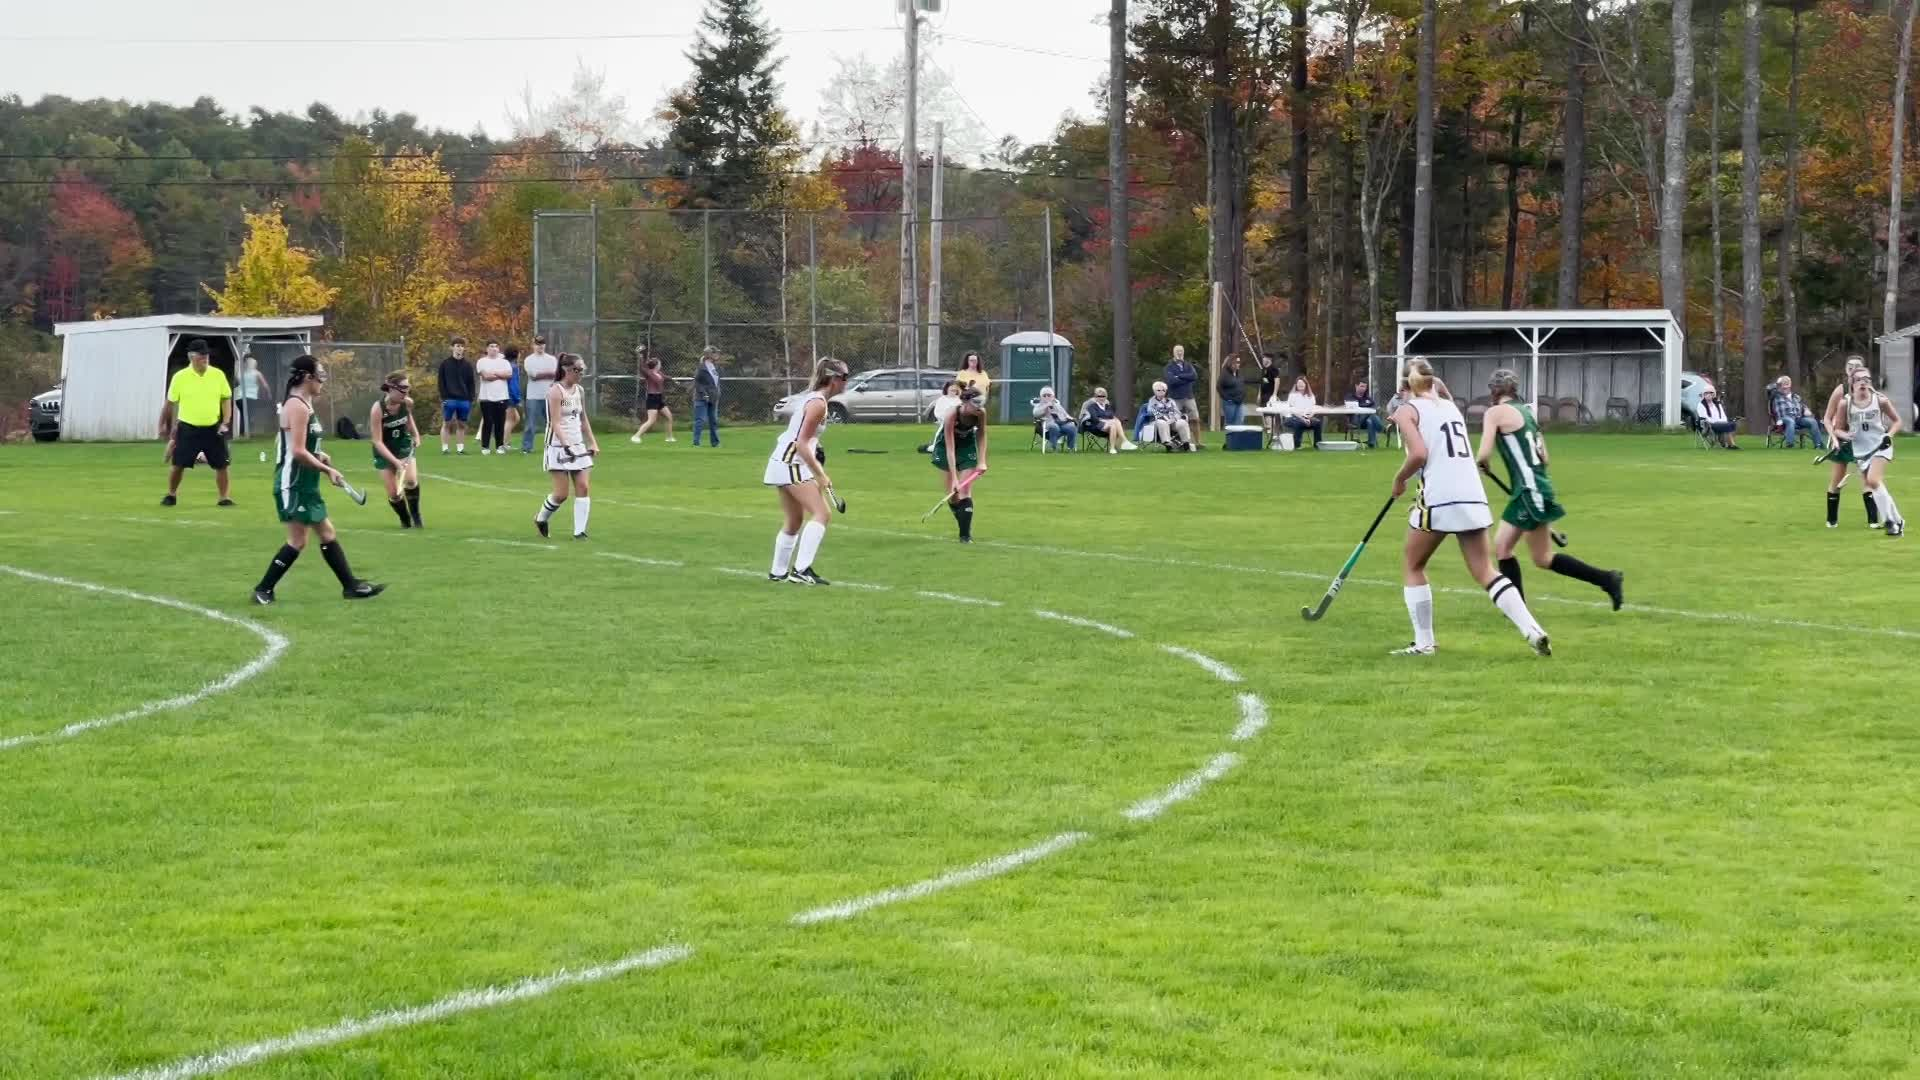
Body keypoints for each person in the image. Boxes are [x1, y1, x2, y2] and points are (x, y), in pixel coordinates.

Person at [1389, 357, 1550, 657]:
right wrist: (1435, 386)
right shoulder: (1450, 406)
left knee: (1413, 564)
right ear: (1432, 381)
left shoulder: (1405, 411)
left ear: (1402, 386)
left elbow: (1419, 454)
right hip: (1472, 493)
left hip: (1439, 494)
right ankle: (1532, 629)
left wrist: (1399, 480)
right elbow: (1440, 393)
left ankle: (1424, 643)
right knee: (1484, 570)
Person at [1476, 369, 1624, 608]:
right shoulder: (1527, 412)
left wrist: (1483, 463)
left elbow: (1483, 453)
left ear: (1494, 390)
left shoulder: (1494, 413)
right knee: (1518, 551)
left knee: (1522, 553)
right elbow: (1545, 458)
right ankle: (1605, 579)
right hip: (1536, 487)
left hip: (1528, 490)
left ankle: (1606, 579)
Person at [252, 355, 385, 604]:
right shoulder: (297, 406)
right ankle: (263, 589)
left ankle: (350, 586)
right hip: (293, 482)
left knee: (327, 533)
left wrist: (320, 455)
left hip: (306, 481)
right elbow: (298, 451)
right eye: (319, 375)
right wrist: (328, 470)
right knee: (298, 541)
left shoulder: (305, 404)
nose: (322, 380)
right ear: (306, 377)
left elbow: (296, 445)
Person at [765, 357, 849, 582]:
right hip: (790, 463)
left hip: (788, 462)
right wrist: (821, 475)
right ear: (833, 379)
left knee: (794, 520)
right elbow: (801, 442)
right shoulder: (818, 403)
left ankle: (778, 572)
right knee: (822, 513)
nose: (847, 382)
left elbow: (806, 438)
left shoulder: (818, 400)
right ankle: (801, 571)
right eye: (844, 377)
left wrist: (817, 451)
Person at [158, 339, 235, 507]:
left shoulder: (217, 375)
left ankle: (224, 497)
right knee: (178, 464)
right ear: (191, 357)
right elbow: (170, 403)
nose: (205, 358)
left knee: (222, 464)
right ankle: (171, 494)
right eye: (201, 355)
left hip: (213, 427)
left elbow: (226, 399)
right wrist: (163, 425)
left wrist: (226, 422)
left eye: (206, 355)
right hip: (188, 427)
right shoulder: (180, 377)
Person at [1830, 368, 1905, 538]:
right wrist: (1845, 435)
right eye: (1859, 380)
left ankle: (1890, 522)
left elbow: (1897, 421)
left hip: (1880, 446)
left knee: (1872, 480)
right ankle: (1897, 520)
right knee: (1874, 485)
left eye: (1867, 379)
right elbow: (1838, 429)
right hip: (1861, 451)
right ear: (1852, 383)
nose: (1863, 382)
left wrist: (1889, 435)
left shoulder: (1880, 400)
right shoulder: (1845, 403)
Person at [535, 354, 600, 540]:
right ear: (567, 370)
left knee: (583, 487)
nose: (581, 374)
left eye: (582, 370)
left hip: (577, 444)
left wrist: (592, 442)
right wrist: (566, 445)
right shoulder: (555, 391)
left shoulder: (579, 390)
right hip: (557, 446)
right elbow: (555, 422)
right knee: (561, 494)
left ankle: (580, 532)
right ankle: (541, 519)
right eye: (578, 370)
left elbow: (583, 418)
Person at [1823, 355, 1878, 528]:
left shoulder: (1870, 391)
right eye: (1850, 366)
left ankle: (1873, 522)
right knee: (1837, 481)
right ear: (1846, 369)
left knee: (1868, 480)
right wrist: (1834, 438)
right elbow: (1826, 418)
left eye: (1858, 366)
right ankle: (1831, 520)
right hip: (1843, 440)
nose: (1853, 368)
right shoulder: (1841, 390)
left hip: (1863, 442)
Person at [933, 387, 990, 542]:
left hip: (966, 445)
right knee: (953, 494)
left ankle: (965, 536)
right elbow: (950, 449)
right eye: (976, 402)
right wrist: (955, 479)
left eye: (982, 402)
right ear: (965, 401)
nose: (979, 406)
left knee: (965, 490)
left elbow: (982, 435)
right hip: (945, 447)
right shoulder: (952, 414)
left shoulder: (980, 413)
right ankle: (963, 521)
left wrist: (982, 460)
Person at [369, 371, 424, 529]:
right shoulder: (378, 409)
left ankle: (416, 516)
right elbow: (377, 441)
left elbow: (408, 419)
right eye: (403, 388)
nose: (406, 392)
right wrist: (395, 462)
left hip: (402, 445)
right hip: (384, 450)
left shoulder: (407, 403)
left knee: (411, 481)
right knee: (394, 494)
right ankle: (405, 521)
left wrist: (416, 435)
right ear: (390, 389)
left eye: (408, 388)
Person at [436, 337, 476, 454]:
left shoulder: (467, 365)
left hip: (464, 399)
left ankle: (460, 448)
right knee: (447, 423)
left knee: (462, 424)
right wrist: (444, 397)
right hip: (449, 399)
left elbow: (471, 383)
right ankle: (445, 448)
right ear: (452, 347)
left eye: (462, 346)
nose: (460, 348)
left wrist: (470, 398)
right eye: (457, 346)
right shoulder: (445, 364)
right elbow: (441, 382)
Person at [475, 341, 513, 455]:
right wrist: (500, 375)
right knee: (488, 421)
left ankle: (499, 446)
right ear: (487, 348)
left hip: (502, 396)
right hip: (486, 397)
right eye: (491, 346)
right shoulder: (481, 361)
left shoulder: (505, 362)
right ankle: (485, 446)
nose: (494, 348)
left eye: (496, 346)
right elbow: (486, 376)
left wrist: (495, 373)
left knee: (500, 422)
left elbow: (508, 375)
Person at [1771, 375, 1825, 450]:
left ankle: (1818, 445)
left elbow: (1803, 406)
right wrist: (1779, 383)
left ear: (1790, 385)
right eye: (1783, 385)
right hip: (1783, 419)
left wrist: (1806, 409)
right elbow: (1771, 387)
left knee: (1812, 421)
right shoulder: (1776, 395)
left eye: (1787, 384)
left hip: (1797, 419)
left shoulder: (1796, 397)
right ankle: (1789, 444)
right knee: (1790, 421)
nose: (1785, 387)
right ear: (1779, 386)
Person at [631, 352, 675, 444]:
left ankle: (669, 438)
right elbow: (642, 368)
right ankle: (636, 436)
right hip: (652, 398)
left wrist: (673, 379)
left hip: (659, 398)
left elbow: (665, 377)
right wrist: (641, 358)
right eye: (659, 363)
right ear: (656, 365)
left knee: (669, 417)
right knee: (651, 420)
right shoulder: (649, 373)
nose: (660, 365)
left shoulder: (659, 373)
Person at [1079, 386, 1136, 454]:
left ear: (1106, 397)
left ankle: (1112, 449)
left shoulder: (1107, 406)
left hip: (1109, 426)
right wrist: (1108, 421)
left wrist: (1114, 420)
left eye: (1103, 396)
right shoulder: (1091, 406)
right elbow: (1095, 418)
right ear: (1095, 397)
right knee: (1114, 423)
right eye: (1099, 396)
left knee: (1115, 423)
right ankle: (1124, 442)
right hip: (1096, 426)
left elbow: (1112, 416)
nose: (1101, 398)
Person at [1164, 345, 1201, 447]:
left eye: (1181, 351)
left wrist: (1179, 376)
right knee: (1176, 421)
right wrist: (1186, 379)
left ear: (1183, 352)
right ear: (1173, 353)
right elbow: (1171, 381)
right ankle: (1180, 442)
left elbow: (1194, 376)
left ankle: (1197, 442)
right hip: (1175, 398)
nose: (1179, 353)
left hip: (1189, 396)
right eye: (1177, 351)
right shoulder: (1169, 366)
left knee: (1195, 419)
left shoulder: (1188, 365)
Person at [1145, 380, 1194, 451]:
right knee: (1162, 423)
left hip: (1172, 421)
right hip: (1157, 422)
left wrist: (1174, 419)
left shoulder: (1171, 401)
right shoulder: (1152, 401)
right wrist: (1163, 417)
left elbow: (1177, 412)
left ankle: (1186, 443)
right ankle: (1168, 443)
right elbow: (1150, 411)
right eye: (1158, 390)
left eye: (1163, 390)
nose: (1161, 392)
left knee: (1182, 422)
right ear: (1154, 391)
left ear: (1166, 391)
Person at [235, 352, 271, 439]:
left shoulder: (240, 373)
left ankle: (243, 434)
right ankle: (247, 434)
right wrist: (269, 394)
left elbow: (237, 383)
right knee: (249, 416)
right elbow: (265, 385)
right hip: (251, 397)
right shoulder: (256, 373)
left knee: (244, 416)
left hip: (239, 398)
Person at [692, 347, 723, 447]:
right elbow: (697, 382)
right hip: (702, 398)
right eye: (715, 353)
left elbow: (715, 382)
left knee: (713, 421)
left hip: (713, 398)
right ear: (709, 355)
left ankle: (715, 443)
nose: (717, 355)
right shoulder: (701, 367)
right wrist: (704, 393)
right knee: (700, 420)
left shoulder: (715, 367)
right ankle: (696, 442)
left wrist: (717, 392)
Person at [923, 379, 963, 453]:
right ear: (947, 388)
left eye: (955, 389)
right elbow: (938, 413)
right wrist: (948, 419)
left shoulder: (960, 400)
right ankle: (934, 447)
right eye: (952, 388)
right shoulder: (941, 400)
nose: (953, 390)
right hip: (946, 422)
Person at [1282, 376, 1324, 449]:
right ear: (1296, 385)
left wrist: (1310, 416)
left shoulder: (1310, 395)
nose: (1300, 385)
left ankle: (1317, 444)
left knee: (1317, 422)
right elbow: (1292, 410)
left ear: (1306, 384)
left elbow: (1313, 408)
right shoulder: (1292, 395)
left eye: (1302, 383)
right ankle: (1296, 445)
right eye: (1298, 383)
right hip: (1292, 417)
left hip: (1307, 417)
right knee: (1299, 423)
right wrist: (1302, 418)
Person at [1034, 386, 1077, 451]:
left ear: (1053, 397)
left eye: (1049, 395)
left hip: (1061, 424)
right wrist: (1046, 406)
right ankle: (1053, 447)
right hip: (1047, 427)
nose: (1046, 397)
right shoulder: (1039, 406)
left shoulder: (1057, 405)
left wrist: (1071, 418)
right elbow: (1036, 414)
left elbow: (1065, 415)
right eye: (1044, 395)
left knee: (1072, 427)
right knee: (1054, 426)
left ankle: (1070, 448)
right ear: (1041, 397)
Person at [1351, 378, 1386, 449]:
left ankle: (1371, 444)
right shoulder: (1351, 397)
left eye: (1365, 387)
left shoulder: (1368, 398)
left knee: (1370, 421)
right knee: (1370, 414)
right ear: (1356, 386)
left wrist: (1365, 408)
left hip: (1366, 421)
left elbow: (1374, 408)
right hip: (1356, 420)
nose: (1363, 388)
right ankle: (1382, 428)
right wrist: (1366, 408)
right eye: (1361, 386)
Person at [502, 345, 524, 447]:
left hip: (505, 395)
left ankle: (505, 440)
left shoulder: (506, 365)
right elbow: (513, 384)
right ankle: (505, 444)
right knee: (510, 420)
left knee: (516, 418)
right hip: (510, 396)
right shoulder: (514, 367)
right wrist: (517, 398)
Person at [1218, 354, 1247, 426]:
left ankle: (1238, 437)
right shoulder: (1225, 374)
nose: (1238, 364)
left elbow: (1242, 385)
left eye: (1239, 362)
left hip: (1240, 402)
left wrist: (1243, 395)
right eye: (1237, 362)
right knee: (1230, 424)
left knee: (1239, 423)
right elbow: (1219, 387)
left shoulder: (1239, 373)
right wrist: (1227, 398)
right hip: (1230, 403)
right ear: (1231, 363)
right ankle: (1230, 437)